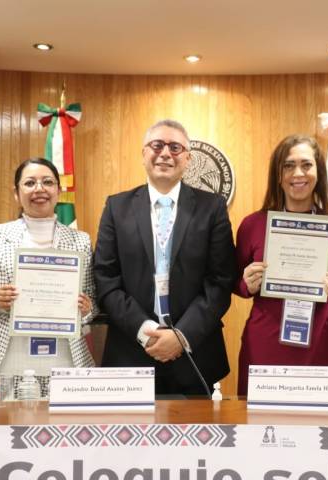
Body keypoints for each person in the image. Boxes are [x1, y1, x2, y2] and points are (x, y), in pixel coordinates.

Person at [93, 119, 236, 395]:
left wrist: (181, 336)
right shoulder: (116, 207)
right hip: (131, 352)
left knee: (197, 425)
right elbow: (106, 279)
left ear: (188, 158)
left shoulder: (212, 208)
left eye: (175, 147)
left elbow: (220, 281)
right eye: (157, 145)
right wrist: (144, 330)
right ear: (143, 154)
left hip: (195, 355)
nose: (165, 153)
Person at [0, 158, 95, 396]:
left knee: (60, 418)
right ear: (16, 193)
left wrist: (86, 309)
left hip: (64, 353)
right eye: (30, 183)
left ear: (58, 191)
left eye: (48, 182)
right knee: (4, 418)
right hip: (5, 353)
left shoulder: (80, 241)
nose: (39, 189)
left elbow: (92, 300)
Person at [234, 134, 328, 395]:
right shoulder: (252, 225)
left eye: (306, 165)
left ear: (318, 173)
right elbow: (234, 282)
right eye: (288, 165)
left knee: (321, 419)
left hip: (319, 345)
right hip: (265, 345)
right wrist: (247, 284)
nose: (298, 173)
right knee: (258, 419)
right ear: (278, 175)